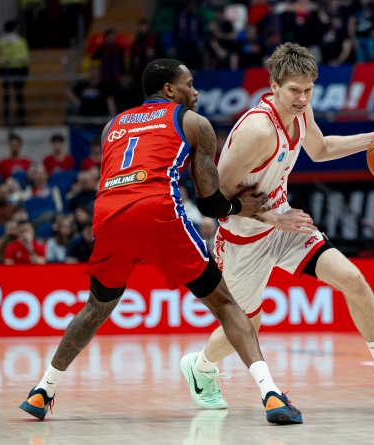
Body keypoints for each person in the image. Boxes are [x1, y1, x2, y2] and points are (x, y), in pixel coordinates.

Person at [19, 58, 299, 426]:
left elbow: (116, 177)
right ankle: (271, 394)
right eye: (189, 84)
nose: (195, 91)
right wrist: (240, 207)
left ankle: (42, 389)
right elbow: (210, 203)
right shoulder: (193, 122)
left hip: (108, 214)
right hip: (155, 209)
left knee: (95, 309)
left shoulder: (111, 125)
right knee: (226, 305)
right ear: (169, 89)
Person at [183, 43, 374, 414]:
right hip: (243, 236)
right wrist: (272, 217)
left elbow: (321, 149)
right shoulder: (258, 130)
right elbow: (215, 194)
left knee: (353, 280)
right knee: (247, 322)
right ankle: (201, 367)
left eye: (308, 90)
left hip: (285, 223)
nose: (302, 98)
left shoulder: (302, 113)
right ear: (274, 86)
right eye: (294, 90)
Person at [0, 20, 30, 126]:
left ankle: (7, 119)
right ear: (15, 28)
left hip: (5, 69)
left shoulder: (0, 41)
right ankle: (21, 119)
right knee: (19, 94)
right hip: (18, 69)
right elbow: (25, 57)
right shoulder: (21, 41)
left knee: (7, 95)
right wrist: (26, 69)